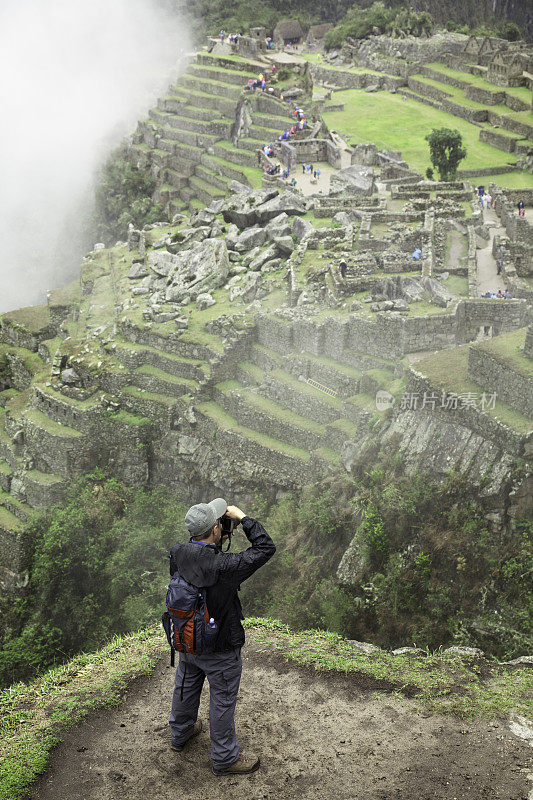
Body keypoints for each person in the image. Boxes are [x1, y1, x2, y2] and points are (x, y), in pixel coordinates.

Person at [168, 498, 276, 776]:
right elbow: (265, 548)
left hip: (188, 639)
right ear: (216, 529)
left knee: (186, 685)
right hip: (221, 647)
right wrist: (242, 518)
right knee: (222, 699)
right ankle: (225, 758)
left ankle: (180, 734)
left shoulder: (177, 554)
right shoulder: (225, 566)